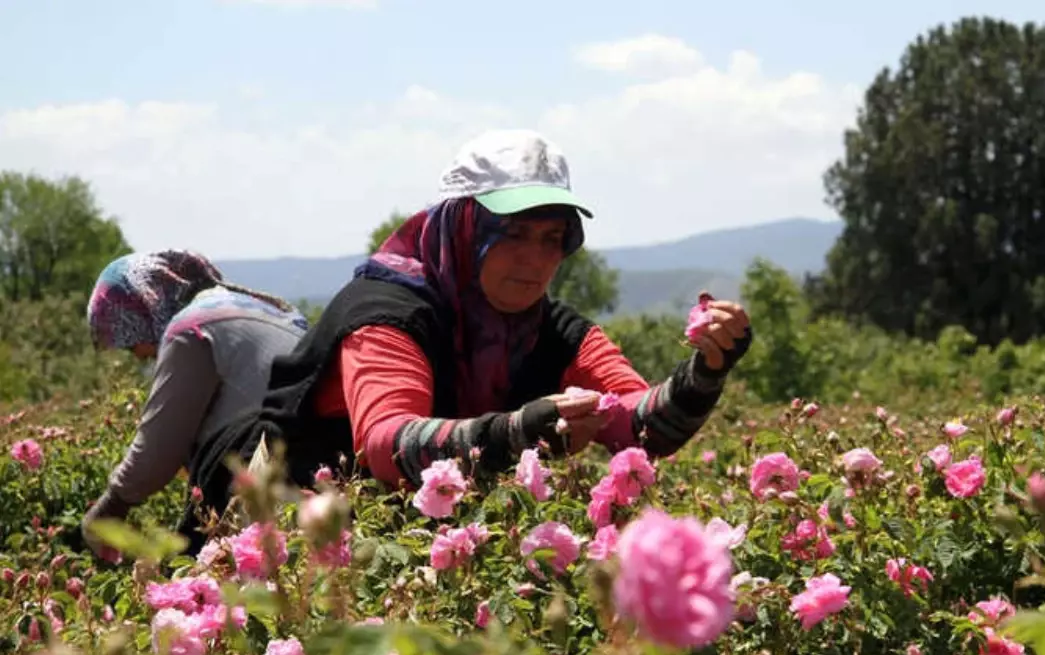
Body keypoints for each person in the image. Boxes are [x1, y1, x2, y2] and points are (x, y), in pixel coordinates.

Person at [188, 129, 752, 531]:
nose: (534, 259)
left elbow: (640, 428)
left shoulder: (551, 330)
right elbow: (387, 446)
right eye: (511, 232)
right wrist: (517, 430)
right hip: (285, 505)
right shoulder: (386, 315)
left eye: (551, 238)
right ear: (464, 228)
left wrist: (706, 370)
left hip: (404, 528)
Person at [79, 249, 310, 556]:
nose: (137, 354)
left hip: (270, 494)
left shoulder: (192, 326)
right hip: (320, 480)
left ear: (145, 307)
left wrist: (112, 504)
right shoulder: (271, 309)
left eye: (131, 339)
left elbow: (158, 448)